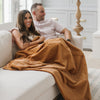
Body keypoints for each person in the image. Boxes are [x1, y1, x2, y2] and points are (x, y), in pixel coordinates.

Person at [3, 10, 91, 100]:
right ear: (20, 20)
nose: (28, 20)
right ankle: (71, 66)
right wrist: (39, 40)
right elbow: (22, 46)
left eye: (29, 17)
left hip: (39, 49)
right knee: (58, 42)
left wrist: (40, 40)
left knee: (62, 44)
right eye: (25, 18)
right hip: (28, 53)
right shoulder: (15, 30)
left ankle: (76, 60)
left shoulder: (30, 30)